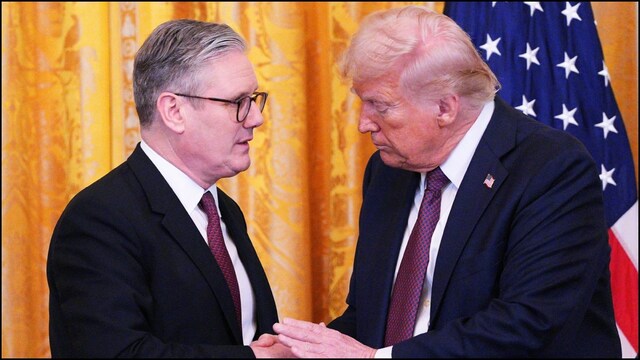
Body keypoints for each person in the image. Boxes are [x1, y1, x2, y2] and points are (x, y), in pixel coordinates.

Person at [272, 6, 621, 358]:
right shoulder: (387, 171)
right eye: (363, 103)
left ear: (445, 108)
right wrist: (302, 349)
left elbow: (527, 324)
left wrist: (373, 359)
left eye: (381, 106)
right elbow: (373, 317)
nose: (364, 123)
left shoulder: (551, 170)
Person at [47, 19, 290, 358]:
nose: (255, 118)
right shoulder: (99, 219)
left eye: (254, 99)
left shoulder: (224, 210)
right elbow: (117, 353)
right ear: (174, 111)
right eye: (238, 102)